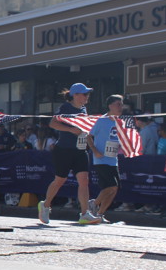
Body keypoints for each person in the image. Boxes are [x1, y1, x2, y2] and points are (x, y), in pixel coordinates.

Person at [39, 82, 100, 225]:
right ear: (75, 95)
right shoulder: (65, 107)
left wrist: (92, 145)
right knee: (60, 180)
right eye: (85, 94)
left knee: (84, 180)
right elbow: (53, 124)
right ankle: (45, 205)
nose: (87, 96)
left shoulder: (84, 109)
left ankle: (84, 214)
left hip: (80, 150)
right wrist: (71, 129)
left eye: (87, 94)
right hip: (64, 149)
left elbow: (84, 129)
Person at [86, 94, 124, 223]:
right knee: (112, 186)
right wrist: (95, 151)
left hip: (113, 159)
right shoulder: (101, 121)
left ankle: (100, 214)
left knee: (113, 189)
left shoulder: (120, 121)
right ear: (110, 106)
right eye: (118, 104)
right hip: (101, 159)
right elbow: (88, 136)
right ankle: (94, 203)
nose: (121, 107)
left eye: (121, 104)